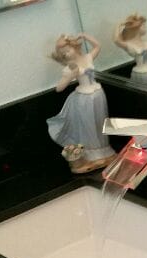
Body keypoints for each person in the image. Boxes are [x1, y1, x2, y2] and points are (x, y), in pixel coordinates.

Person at [46, 33, 116, 173]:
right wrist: (71, 75)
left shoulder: (88, 58)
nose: (66, 54)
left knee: (101, 123)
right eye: (63, 54)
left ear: (74, 47)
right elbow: (59, 88)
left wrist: (84, 36)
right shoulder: (70, 68)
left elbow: (98, 46)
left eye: (67, 50)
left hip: (98, 94)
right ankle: (93, 155)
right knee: (89, 127)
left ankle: (104, 152)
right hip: (85, 99)